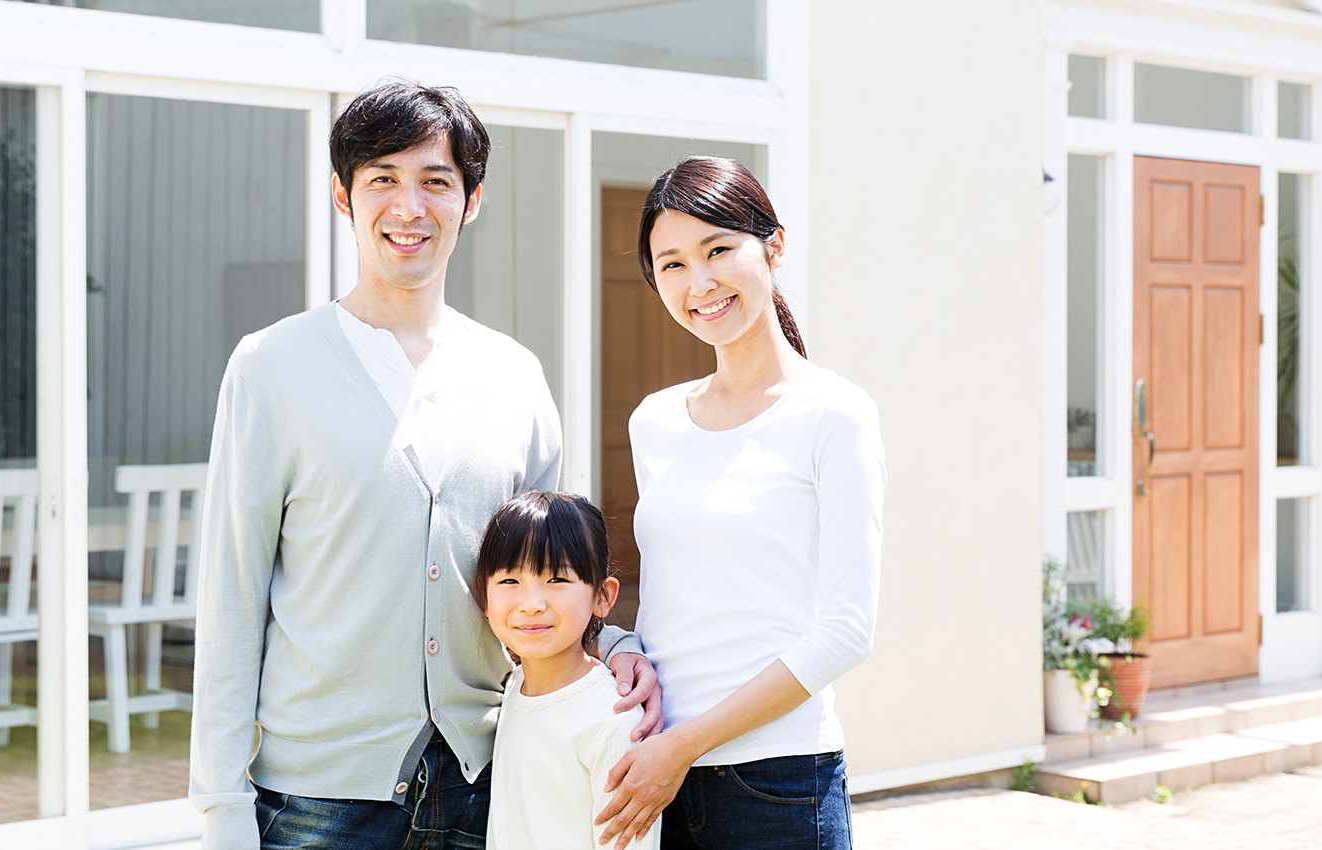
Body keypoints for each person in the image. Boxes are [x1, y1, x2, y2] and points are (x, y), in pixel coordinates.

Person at [188, 79, 660, 850]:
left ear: (471, 201)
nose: (409, 207)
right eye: (382, 179)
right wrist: (219, 808)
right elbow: (230, 600)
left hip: (485, 786)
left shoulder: (514, 375)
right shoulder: (271, 366)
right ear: (343, 196)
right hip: (319, 803)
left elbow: (544, 573)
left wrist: (615, 645)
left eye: (436, 181)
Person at [595, 156, 886, 850]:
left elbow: (847, 632)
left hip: (777, 784)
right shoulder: (654, 422)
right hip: (658, 773)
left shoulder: (834, 414)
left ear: (773, 247)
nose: (700, 283)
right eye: (672, 264)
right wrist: (623, 647)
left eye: (719, 250)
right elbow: (678, 595)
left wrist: (685, 746)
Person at [474, 492, 662, 850]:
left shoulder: (613, 720)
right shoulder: (512, 687)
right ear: (485, 596)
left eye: (557, 580)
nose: (531, 604)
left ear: (602, 597)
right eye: (510, 582)